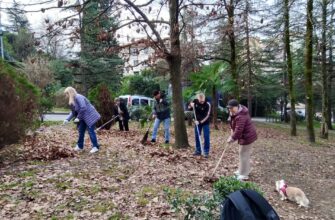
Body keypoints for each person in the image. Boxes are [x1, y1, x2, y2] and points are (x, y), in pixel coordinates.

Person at [63, 87, 101, 153]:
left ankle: (95, 147)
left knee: (91, 131)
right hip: (83, 117)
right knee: (81, 131)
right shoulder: (73, 100)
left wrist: (78, 117)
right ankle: (80, 146)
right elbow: (73, 112)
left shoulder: (78, 97)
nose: (66, 96)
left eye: (67, 94)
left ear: (70, 93)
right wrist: (67, 119)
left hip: (90, 116)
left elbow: (83, 107)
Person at [226, 99, 257, 180]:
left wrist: (232, 138)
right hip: (244, 136)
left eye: (232, 108)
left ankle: (244, 174)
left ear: (237, 107)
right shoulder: (235, 113)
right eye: (229, 108)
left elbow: (239, 130)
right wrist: (231, 134)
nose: (230, 110)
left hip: (247, 136)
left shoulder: (241, 116)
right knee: (242, 153)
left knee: (244, 154)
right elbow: (233, 125)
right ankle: (241, 170)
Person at [189, 93, 211, 158]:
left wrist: (200, 122)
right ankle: (198, 150)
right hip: (197, 122)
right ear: (198, 99)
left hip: (205, 122)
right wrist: (191, 105)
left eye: (202, 101)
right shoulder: (195, 101)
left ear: (204, 98)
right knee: (197, 136)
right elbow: (189, 108)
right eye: (200, 101)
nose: (201, 102)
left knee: (206, 136)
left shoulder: (208, 104)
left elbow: (207, 116)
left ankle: (206, 152)